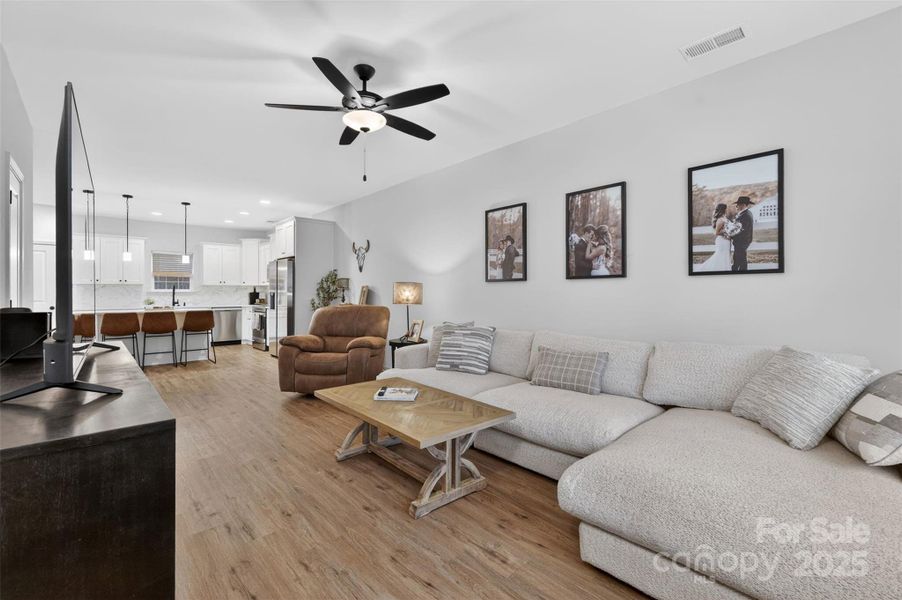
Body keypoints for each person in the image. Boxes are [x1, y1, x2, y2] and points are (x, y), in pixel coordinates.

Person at [696, 203, 733, 272]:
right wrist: (726, 232)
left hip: (727, 241)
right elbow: (717, 232)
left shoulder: (724, 218)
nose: (727, 210)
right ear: (723, 210)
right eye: (726, 209)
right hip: (722, 241)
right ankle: (707, 269)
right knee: (720, 255)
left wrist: (730, 233)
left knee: (725, 256)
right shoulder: (720, 220)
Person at [731, 196, 755, 271]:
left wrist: (730, 235)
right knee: (737, 260)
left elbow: (740, 230)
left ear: (744, 205)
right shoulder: (745, 213)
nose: (736, 206)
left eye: (738, 204)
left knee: (741, 262)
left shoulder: (745, 215)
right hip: (742, 241)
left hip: (741, 242)